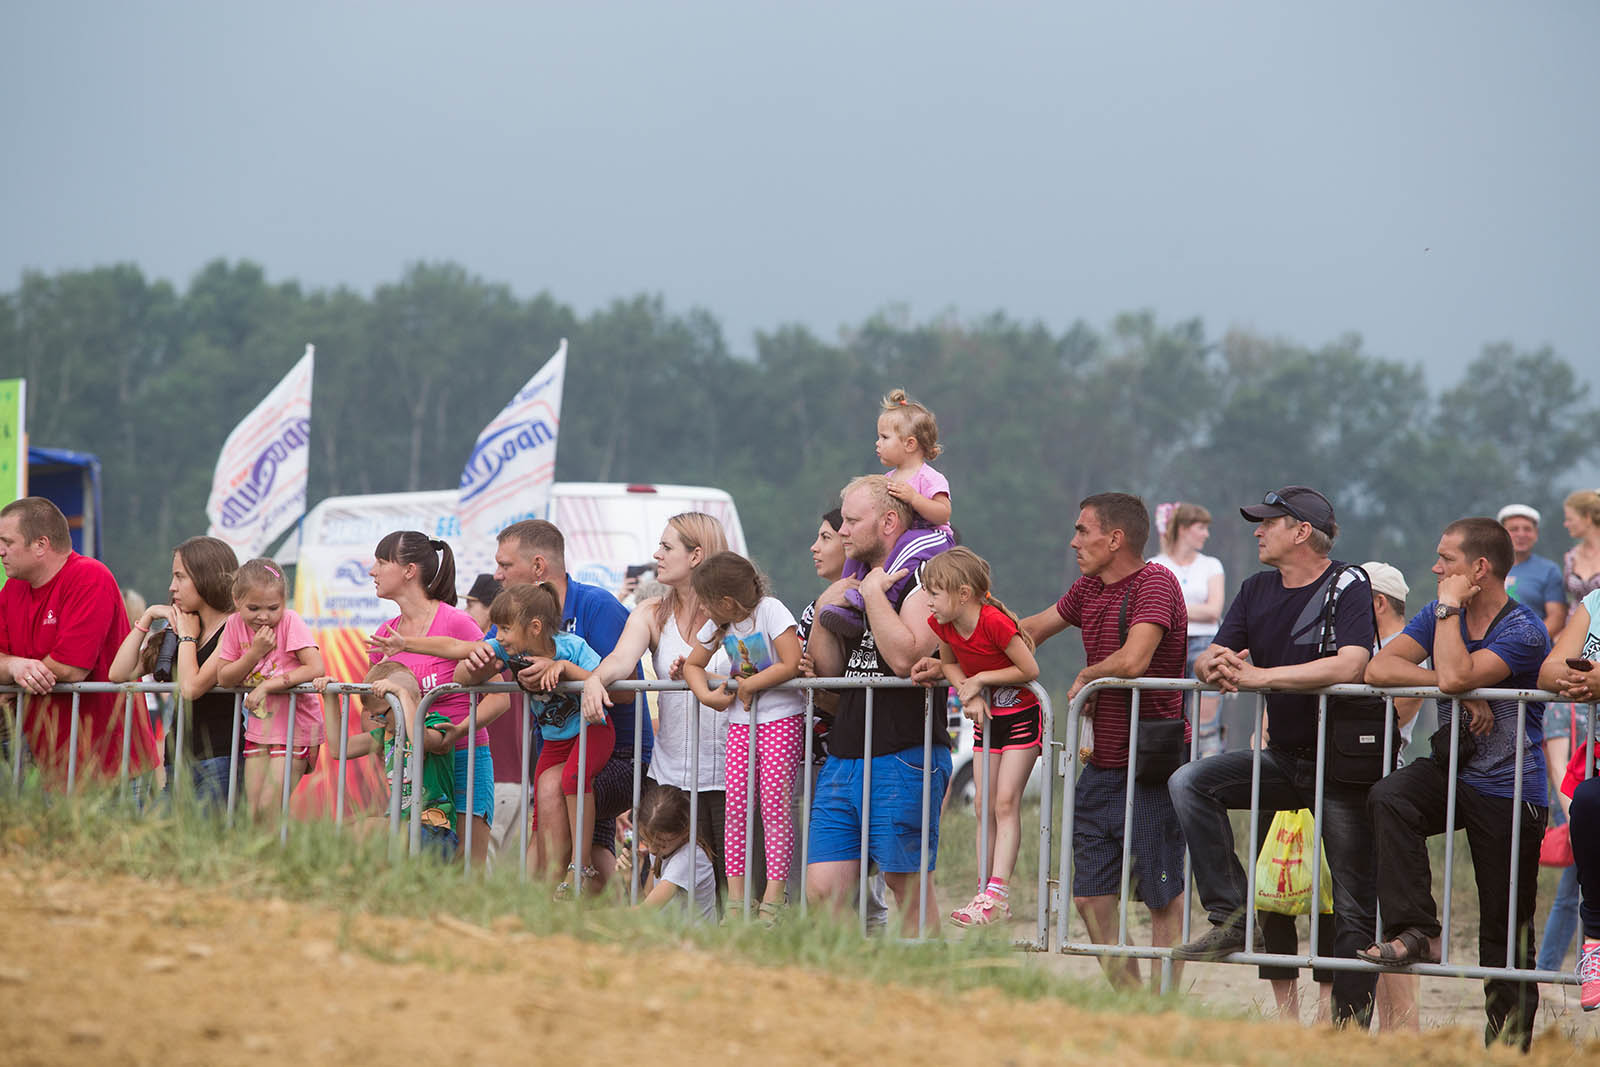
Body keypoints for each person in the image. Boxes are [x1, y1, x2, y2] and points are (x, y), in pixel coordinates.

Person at [1167, 486, 1378, 1029]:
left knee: (1353, 901)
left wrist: (1261, 677)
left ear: (1302, 531)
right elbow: (1215, 653)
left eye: (1269, 522)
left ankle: (1348, 1030)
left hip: (1343, 766)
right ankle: (1232, 918)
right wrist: (1211, 666)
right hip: (1283, 758)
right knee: (1190, 782)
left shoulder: (1349, 582)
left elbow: (1351, 664)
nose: (1258, 531)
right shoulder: (1255, 588)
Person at [1364, 517, 1550, 1051]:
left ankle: (1507, 1050)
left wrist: (1449, 626)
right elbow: (1379, 670)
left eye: (1446, 560)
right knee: (1390, 797)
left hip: (1510, 788)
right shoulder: (1438, 614)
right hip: (1452, 770)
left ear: (1479, 568)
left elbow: (1453, 674)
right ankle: (1418, 929)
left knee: (1504, 932)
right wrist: (1460, 690)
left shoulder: (1523, 630)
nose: (1435, 568)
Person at [1019, 493, 1189, 989]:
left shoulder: (1156, 582)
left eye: (1082, 530)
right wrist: (959, 644)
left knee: (1162, 895)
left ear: (1114, 539)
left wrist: (1086, 677)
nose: (1073, 541)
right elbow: (1030, 631)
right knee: (1090, 898)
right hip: (1102, 764)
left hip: (1153, 766)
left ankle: (1163, 1007)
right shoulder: (1087, 588)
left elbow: (1135, 660)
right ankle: (1133, 1005)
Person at [808, 475, 952, 936]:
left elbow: (906, 658)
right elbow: (827, 669)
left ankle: (926, 974)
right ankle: (848, 977)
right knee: (823, 887)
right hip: (846, 751)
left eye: (852, 521)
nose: (842, 530)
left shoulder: (923, 578)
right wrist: (826, 610)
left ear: (889, 521)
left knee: (904, 884)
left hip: (904, 750)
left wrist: (872, 595)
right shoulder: (855, 581)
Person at [472, 518, 647, 890]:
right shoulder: (514, 615)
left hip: (621, 752)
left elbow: (626, 691)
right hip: (560, 745)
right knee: (592, 848)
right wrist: (475, 661)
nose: (497, 575)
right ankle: (592, 908)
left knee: (553, 789)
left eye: (505, 565)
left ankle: (543, 899)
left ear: (538, 566)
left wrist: (563, 672)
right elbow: (473, 668)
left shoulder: (597, 605)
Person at [579, 514, 729, 892]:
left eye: (666, 547)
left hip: (731, 775)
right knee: (666, 893)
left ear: (696, 556)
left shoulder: (738, 612)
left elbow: (762, 666)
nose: (656, 555)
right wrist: (595, 680)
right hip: (670, 779)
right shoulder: (651, 612)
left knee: (733, 895)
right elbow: (620, 659)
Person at [919, 547, 1040, 928]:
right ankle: (983, 893)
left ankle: (997, 895)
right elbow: (949, 663)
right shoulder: (943, 625)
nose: (928, 601)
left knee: (1005, 803)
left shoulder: (994, 622)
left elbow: (1029, 668)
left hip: (1020, 718)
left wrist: (981, 679)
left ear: (963, 594)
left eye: (934, 593)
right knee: (982, 805)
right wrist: (967, 692)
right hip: (987, 721)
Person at [0, 497, 159, 784]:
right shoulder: (12, 589)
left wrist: (17, 675)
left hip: (109, 764)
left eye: (7, 542)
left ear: (41, 544)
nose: (1, 551)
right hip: (47, 764)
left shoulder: (89, 576)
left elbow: (71, 668)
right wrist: (15, 667)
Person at [682, 552, 804, 918]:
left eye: (706, 602)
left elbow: (791, 661)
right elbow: (693, 665)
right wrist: (707, 696)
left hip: (780, 719)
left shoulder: (771, 611)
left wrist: (750, 685)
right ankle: (736, 899)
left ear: (726, 602)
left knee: (774, 806)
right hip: (741, 724)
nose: (702, 610)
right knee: (736, 807)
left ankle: (773, 898)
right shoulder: (719, 625)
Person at [363, 531, 491, 863]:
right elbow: (372, 710)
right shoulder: (384, 634)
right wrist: (388, 743)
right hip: (411, 769)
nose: (372, 571)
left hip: (462, 758)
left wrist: (454, 733)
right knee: (415, 869)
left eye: (381, 562)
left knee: (465, 868)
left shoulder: (456, 622)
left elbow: (500, 697)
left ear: (409, 570)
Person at [797, 508, 892, 928]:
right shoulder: (811, 611)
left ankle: (876, 951)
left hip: (867, 752)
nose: (815, 548)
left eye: (827, 537)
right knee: (823, 880)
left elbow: (852, 694)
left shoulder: (878, 605)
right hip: (822, 758)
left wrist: (819, 691)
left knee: (869, 889)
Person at [108, 536, 240, 807]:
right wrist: (146, 618)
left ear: (206, 576)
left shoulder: (234, 628)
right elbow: (119, 673)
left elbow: (191, 687)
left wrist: (188, 638)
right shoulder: (181, 628)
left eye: (180, 577)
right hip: (178, 761)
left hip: (220, 761)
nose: (172, 587)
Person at [818, 389, 954, 642]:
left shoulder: (929, 477)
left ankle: (887, 598)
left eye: (884, 437)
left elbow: (943, 513)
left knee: (905, 545)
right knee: (857, 552)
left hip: (930, 535)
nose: (877, 444)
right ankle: (849, 602)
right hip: (903, 536)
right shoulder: (888, 478)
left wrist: (914, 498)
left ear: (910, 444)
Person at [1363, 560, 1424, 1032]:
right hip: (1355, 785)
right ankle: (1384, 1026)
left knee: (1390, 913)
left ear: (1379, 602)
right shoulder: (1364, 648)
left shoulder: (1410, 654)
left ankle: (1403, 1028)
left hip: (1385, 782)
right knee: (1368, 914)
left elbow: (1394, 716)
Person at [215, 558, 325, 819]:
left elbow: (315, 667)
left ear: (284, 602)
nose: (263, 616)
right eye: (253, 608)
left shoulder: (290, 621)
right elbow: (224, 677)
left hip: (296, 728)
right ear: (237, 600)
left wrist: (267, 686)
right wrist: (255, 653)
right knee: (252, 812)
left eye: (273, 608)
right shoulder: (234, 624)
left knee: (269, 808)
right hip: (260, 729)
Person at [1537, 581, 1600, 1011]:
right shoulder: (1596, 602)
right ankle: (1594, 943)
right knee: (1589, 802)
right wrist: (1585, 679)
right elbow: (1548, 672)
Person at [322, 661, 457, 860]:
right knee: (346, 833)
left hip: (436, 832)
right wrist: (330, 697)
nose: (380, 723)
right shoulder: (388, 733)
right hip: (400, 826)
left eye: (382, 716)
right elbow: (339, 748)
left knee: (367, 829)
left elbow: (420, 741)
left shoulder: (436, 725)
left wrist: (402, 695)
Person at [459, 573, 525, 869]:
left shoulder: (492, 654)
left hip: (498, 780)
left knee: (482, 864)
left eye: (471, 604)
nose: (466, 612)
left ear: (491, 609)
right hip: (514, 780)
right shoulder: (510, 650)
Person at [1151, 502, 1226, 757]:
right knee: (1166, 717)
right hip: (1166, 644)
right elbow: (1151, 608)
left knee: (1206, 722)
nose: (1206, 534)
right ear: (1183, 529)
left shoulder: (1212, 565)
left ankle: (1208, 772)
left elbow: (1214, 609)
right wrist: (1194, 609)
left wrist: (1170, 607)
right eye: (1201, 527)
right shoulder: (1154, 564)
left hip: (1206, 644)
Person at [635, 781, 719, 922]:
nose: (652, 850)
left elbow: (645, 912)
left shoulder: (688, 858)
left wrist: (594, 917)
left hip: (693, 936)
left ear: (684, 831)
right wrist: (633, 879)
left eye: (661, 844)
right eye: (645, 840)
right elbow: (647, 902)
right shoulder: (662, 849)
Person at [1499, 504, 1566, 638]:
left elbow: (1556, 617)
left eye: (1527, 529)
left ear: (1536, 534)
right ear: (1501, 534)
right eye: (1514, 529)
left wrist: (1530, 641)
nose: (1521, 534)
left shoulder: (1549, 570)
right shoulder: (1485, 567)